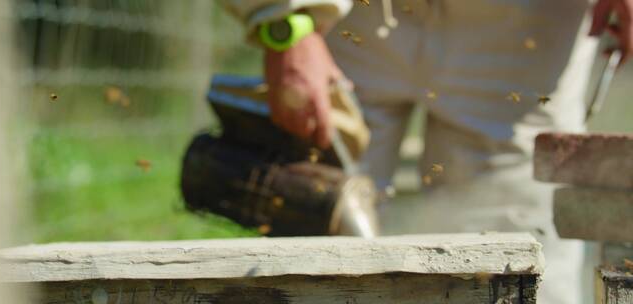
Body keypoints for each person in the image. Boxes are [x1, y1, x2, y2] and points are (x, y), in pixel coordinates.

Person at [222, 0, 633, 302]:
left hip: (530, 22)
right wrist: (287, 20)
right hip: (352, 17)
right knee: (318, 216)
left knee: (520, 254)